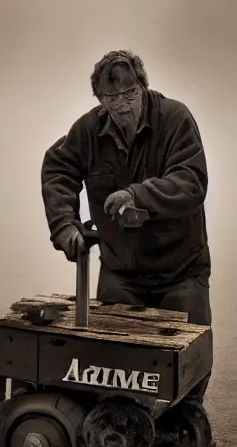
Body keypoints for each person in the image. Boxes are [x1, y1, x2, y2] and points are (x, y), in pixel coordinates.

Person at [40, 49, 213, 409]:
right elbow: (58, 168)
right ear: (100, 99)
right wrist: (64, 224)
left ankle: (187, 429)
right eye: (111, 97)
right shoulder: (88, 130)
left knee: (186, 375)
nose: (121, 105)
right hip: (121, 273)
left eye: (130, 94)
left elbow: (192, 181)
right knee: (115, 375)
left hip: (180, 271)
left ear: (144, 88)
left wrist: (138, 194)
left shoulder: (175, 119)